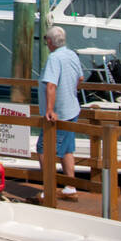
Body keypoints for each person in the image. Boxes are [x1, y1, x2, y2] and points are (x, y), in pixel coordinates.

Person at [39, 25, 84, 199]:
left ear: (49, 42)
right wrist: (70, 90)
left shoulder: (54, 58)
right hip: (73, 109)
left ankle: (48, 189)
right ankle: (70, 186)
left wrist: (49, 109)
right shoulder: (71, 54)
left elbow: (51, 85)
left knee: (44, 149)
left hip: (60, 112)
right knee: (67, 149)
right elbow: (80, 77)